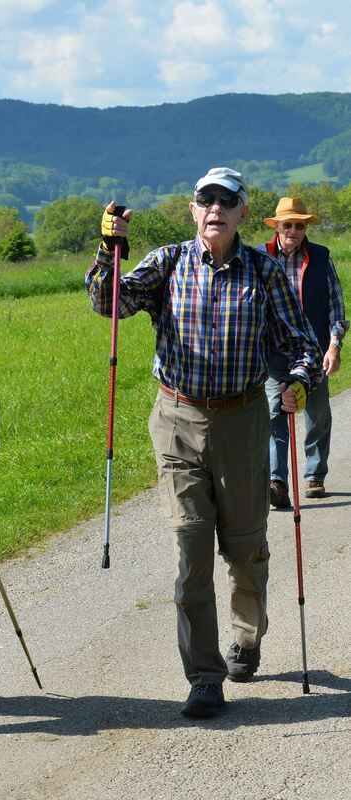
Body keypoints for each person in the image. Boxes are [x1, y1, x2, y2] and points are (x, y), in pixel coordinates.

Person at [86, 168, 322, 718]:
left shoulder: (263, 272)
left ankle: (247, 635)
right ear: (193, 211)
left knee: (244, 550)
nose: (214, 207)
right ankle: (204, 675)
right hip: (177, 418)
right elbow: (108, 303)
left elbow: (301, 343)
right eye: (204, 199)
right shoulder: (167, 262)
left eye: (226, 200)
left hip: (241, 421)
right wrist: (110, 248)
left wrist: (298, 382)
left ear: (243, 212)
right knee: (191, 550)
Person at [260, 197, 348, 508]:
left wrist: (334, 346)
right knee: (274, 413)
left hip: (314, 351)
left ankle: (314, 475)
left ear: (305, 227)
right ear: (278, 227)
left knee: (317, 414)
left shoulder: (321, 257)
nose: (294, 230)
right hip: (272, 353)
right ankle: (277, 482)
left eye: (300, 225)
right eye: (288, 224)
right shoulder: (260, 257)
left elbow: (336, 306)